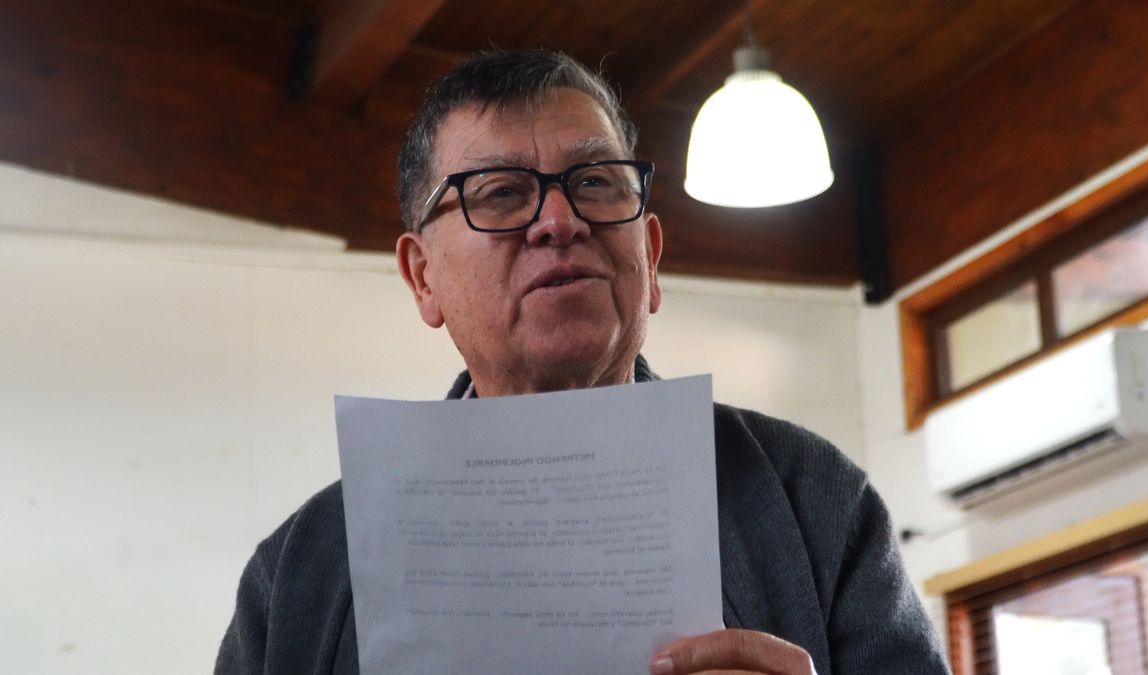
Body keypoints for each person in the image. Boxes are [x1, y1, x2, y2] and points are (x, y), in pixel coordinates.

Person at [216, 49, 949, 675]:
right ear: (422, 278)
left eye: (596, 182)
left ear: (650, 256)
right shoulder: (300, 572)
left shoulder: (813, 499)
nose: (559, 221)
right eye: (501, 193)